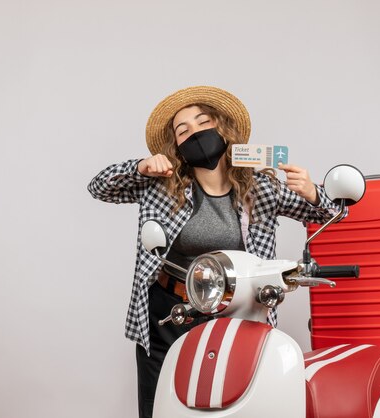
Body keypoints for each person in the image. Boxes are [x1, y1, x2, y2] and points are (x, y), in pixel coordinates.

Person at [87, 86, 342, 418]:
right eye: (184, 130)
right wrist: (140, 167)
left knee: (232, 400)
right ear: (176, 146)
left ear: (222, 129)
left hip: (237, 309)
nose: (195, 133)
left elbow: (331, 214)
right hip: (170, 309)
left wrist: (312, 192)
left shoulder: (261, 187)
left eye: (203, 122)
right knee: (160, 403)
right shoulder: (161, 184)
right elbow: (99, 187)